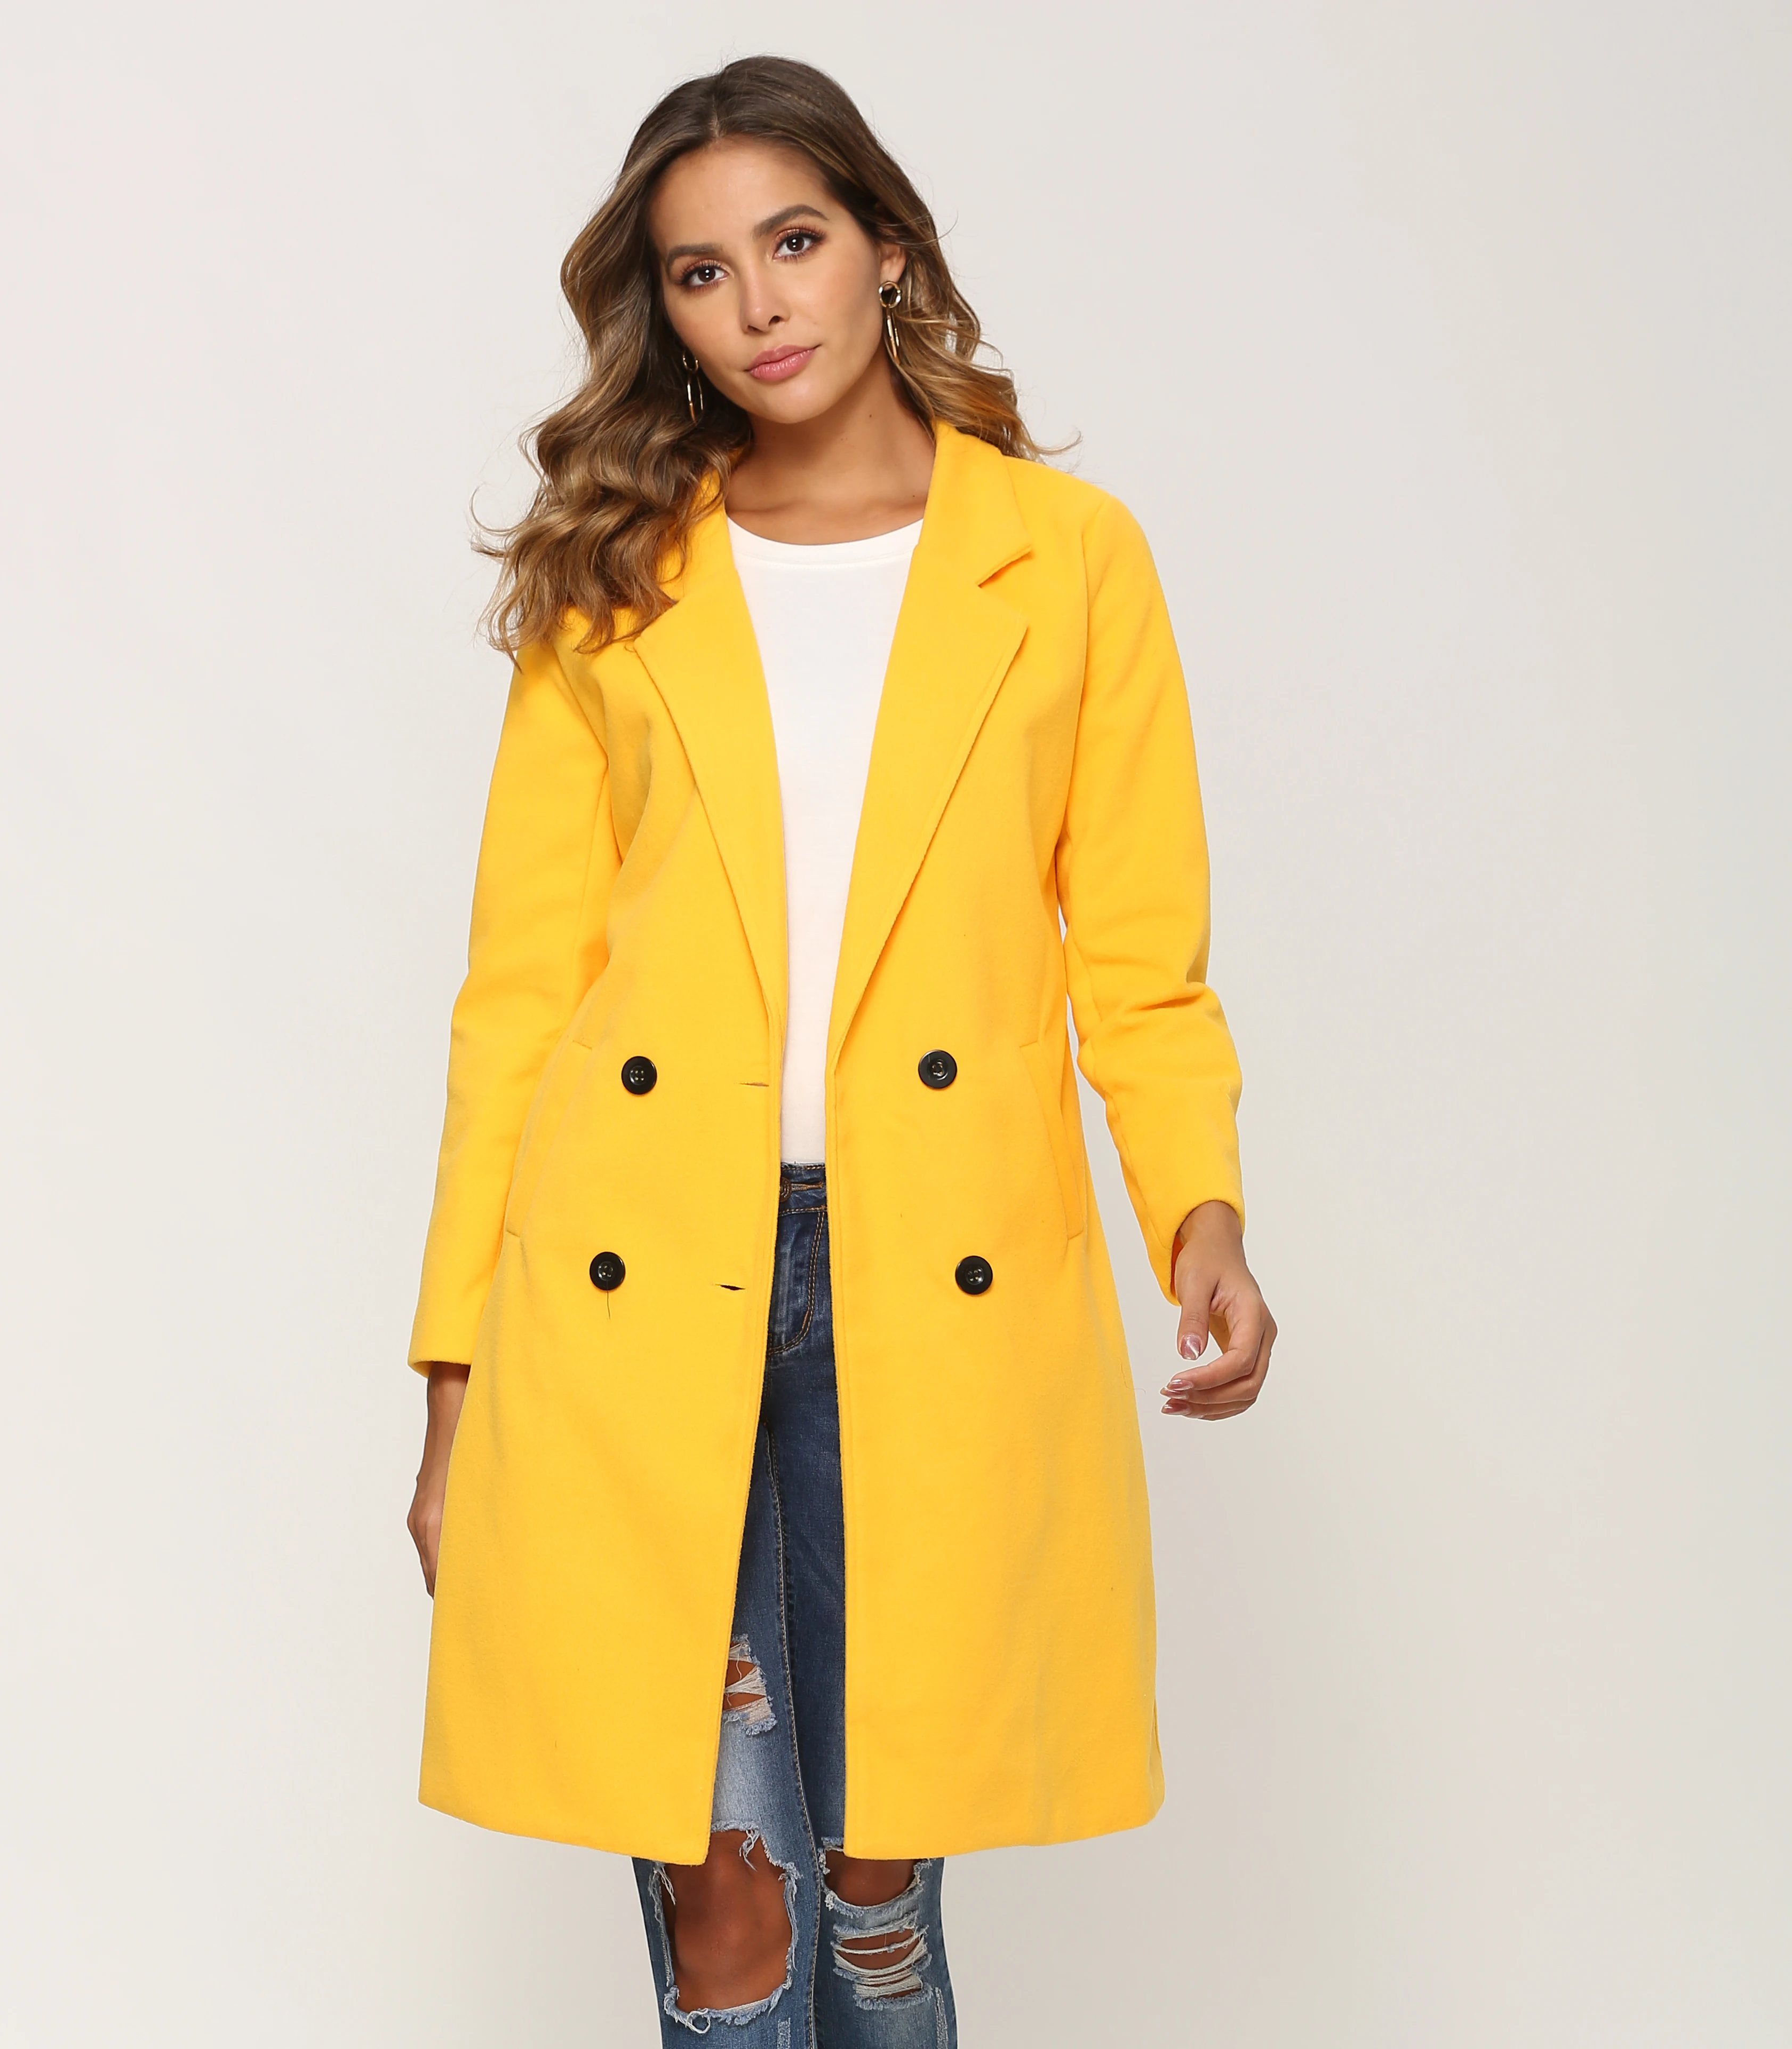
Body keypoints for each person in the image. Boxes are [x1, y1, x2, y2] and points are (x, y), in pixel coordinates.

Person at [403, 54, 1277, 2046]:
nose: (759, 304)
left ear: (888, 246)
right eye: (700, 273)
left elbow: (1141, 957)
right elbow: (518, 996)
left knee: (878, 1900)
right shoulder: (620, 575)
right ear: (663, 311)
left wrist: (1202, 1217)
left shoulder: (1065, 558)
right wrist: (453, 1373)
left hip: (935, 1278)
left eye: (794, 241)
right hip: (634, 1282)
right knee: (725, 1913)